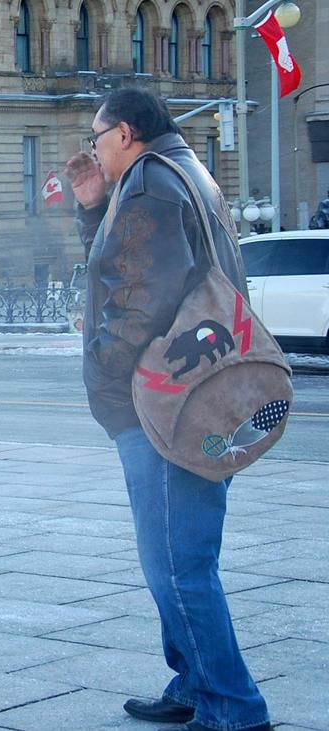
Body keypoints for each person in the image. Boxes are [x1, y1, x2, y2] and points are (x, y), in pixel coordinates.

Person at [65, 87, 271, 731]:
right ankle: (194, 682)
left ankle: (233, 707)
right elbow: (138, 265)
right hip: (199, 401)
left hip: (165, 405)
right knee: (179, 559)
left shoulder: (153, 184)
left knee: (180, 565)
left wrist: (102, 373)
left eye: (97, 137)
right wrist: (95, 209)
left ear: (124, 133)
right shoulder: (186, 171)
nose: (92, 149)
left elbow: (140, 297)